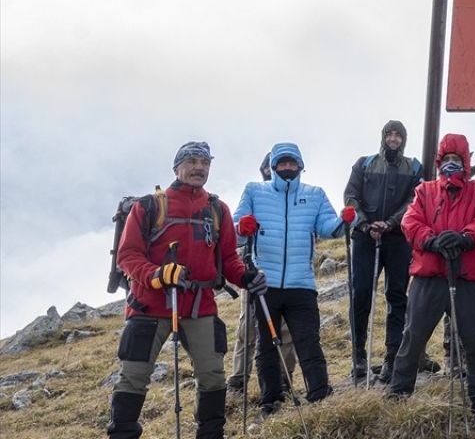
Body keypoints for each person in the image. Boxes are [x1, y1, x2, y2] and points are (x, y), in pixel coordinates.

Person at [107, 141, 266, 439]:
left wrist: (246, 277)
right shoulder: (149, 206)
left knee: (212, 376)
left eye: (205, 163)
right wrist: (157, 274)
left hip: (199, 306)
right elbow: (127, 257)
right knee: (134, 377)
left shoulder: (217, 209)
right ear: (177, 167)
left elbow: (229, 259)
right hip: (148, 306)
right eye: (192, 161)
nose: (199, 168)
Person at [386, 133, 475, 428]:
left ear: (466, 163)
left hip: (467, 277)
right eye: (446, 159)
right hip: (430, 276)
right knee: (413, 338)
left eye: (457, 159)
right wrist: (432, 240)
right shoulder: (424, 191)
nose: (451, 164)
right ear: (439, 163)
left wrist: (465, 238)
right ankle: (398, 395)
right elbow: (410, 222)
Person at [234, 142, 354, 413]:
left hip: (302, 284)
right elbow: (235, 229)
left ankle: (319, 395)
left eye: (292, 163)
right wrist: (242, 226)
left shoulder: (315, 194)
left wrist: (342, 222)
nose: (287, 167)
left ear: (300, 166)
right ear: (273, 166)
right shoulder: (254, 191)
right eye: (282, 163)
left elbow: (327, 228)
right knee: (266, 344)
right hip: (265, 283)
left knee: (308, 340)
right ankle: (271, 400)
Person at [343, 120, 423, 383]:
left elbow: (415, 199)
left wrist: (391, 223)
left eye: (398, 135)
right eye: (389, 134)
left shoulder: (413, 167)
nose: (393, 139)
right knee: (361, 294)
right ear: (383, 137)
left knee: (397, 295)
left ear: (404, 139)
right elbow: (351, 196)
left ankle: (392, 357)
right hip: (365, 238)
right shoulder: (364, 163)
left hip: (398, 238)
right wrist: (365, 224)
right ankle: (358, 357)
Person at [228, 154, 295, 395]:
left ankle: (284, 380)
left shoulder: (295, 198)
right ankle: (238, 379)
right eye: (270, 167)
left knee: (286, 328)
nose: (273, 171)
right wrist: (242, 228)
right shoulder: (253, 196)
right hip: (255, 271)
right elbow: (234, 231)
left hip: (287, 274)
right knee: (249, 328)